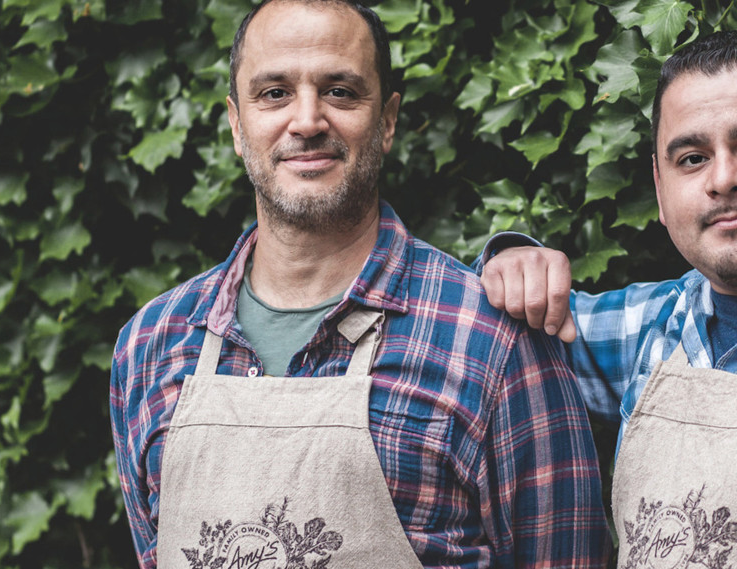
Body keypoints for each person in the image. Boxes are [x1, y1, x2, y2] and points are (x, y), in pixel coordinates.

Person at [109, 1, 610, 567]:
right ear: (236, 123)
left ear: (388, 120)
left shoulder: (493, 341)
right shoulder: (150, 344)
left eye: (340, 91)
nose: (306, 120)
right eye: (274, 93)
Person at [479, 30, 737, 569]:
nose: (724, 178)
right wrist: (514, 263)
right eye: (692, 158)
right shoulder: (649, 326)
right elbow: (471, 331)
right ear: (660, 191)